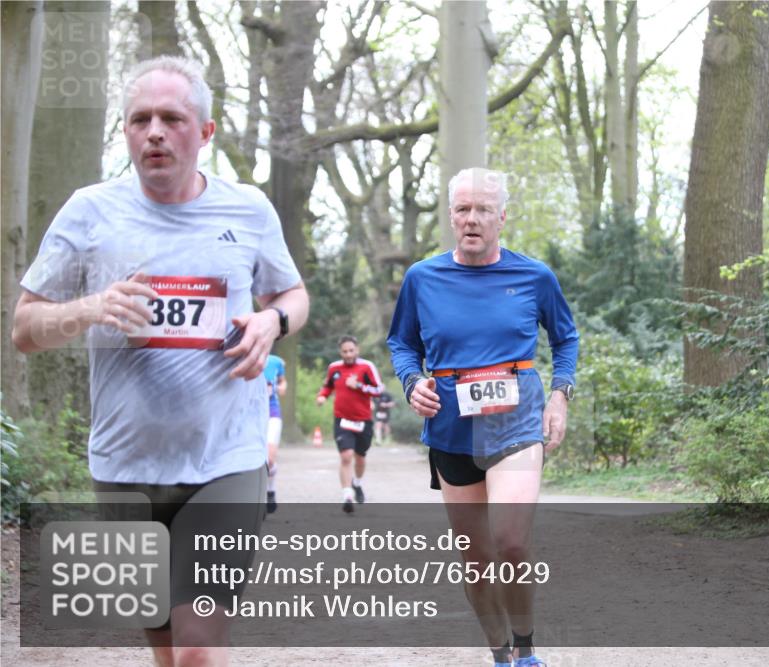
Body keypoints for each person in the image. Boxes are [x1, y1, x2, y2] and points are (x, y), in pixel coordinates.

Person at [11, 55, 309, 667]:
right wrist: (92, 307)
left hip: (227, 456)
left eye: (171, 118)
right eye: (139, 119)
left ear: (204, 132)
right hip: (123, 461)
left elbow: (293, 294)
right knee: (164, 643)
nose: (153, 131)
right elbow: (24, 329)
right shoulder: (88, 211)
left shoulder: (248, 210)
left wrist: (270, 321)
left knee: (199, 643)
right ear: (125, 131)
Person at [387, 167, 579, 667]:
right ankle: (500, 653)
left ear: (502, 217)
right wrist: (413, 384)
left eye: (483, 210)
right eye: (462, 209)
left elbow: (566, 338)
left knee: (511, 541)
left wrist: (560, 396)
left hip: (515, 419)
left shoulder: (533, 276)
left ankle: (528, 649)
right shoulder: (422, 278)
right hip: (451, 426)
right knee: (475, 561)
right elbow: (402, 343)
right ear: (451, 216)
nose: (472, 219)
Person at [315, 336, 385, 513]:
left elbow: (378, 390)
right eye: (345, 351)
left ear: (357, 350)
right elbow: (328, 386)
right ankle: (347, 495)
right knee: (346, 456)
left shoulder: (367, 367)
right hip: (342, 419)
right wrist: (322, 396)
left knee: (360, 458)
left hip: (363, 420)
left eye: (351, 351)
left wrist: (359, 385)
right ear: (341, 352)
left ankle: (357, 483)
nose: (348, 354)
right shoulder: (334, 368)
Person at [263, 353, 287, 513]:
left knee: (270, 459)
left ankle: (270, 490)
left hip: (271, 411)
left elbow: (283, 383)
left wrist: (278, 388)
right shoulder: (241, 355)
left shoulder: (276, 361)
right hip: (248, 414)